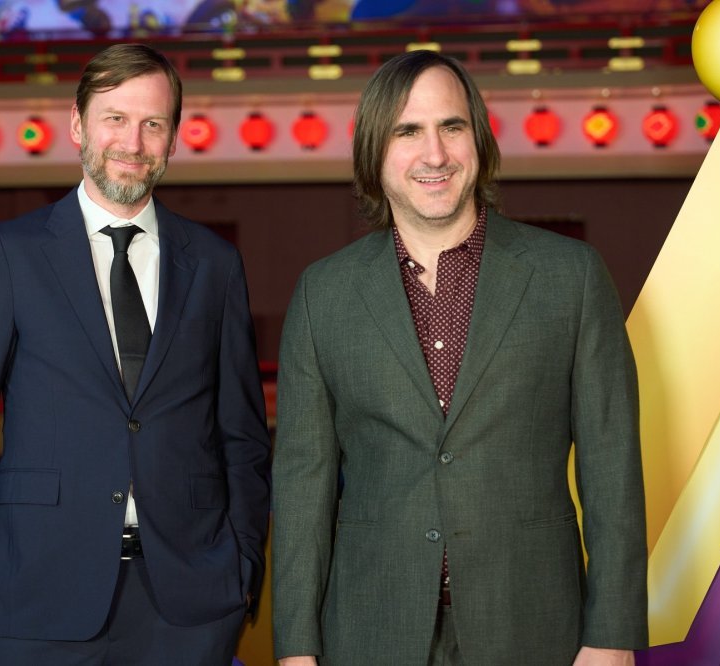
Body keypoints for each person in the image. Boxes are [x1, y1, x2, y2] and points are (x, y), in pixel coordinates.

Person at [272, 50, 647, 666]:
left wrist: (611, 635)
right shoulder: (323, 294)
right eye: (407, 131)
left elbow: (613, 469)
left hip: (533, 626)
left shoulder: (570, 276)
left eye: (452, 126)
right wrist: (295, 648)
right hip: (371, 631)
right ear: (373, 152)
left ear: (480, 140)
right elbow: (301, 484)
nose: (435, 154)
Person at [0, 43, 271, 666]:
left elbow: (241, 434)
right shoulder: (11, 253)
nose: (133, 141)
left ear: (173, 137)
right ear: (77, 125)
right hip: (42, 596)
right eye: (115, 118)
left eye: (153, 123)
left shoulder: (214, 263)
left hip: (190, 606)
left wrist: (241, 567)